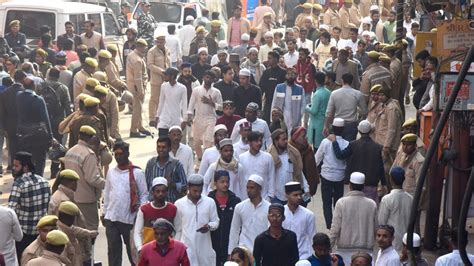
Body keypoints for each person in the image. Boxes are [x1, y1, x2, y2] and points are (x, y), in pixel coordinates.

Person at [102, 141, 148, 266]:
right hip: (112, 218)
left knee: (133, 253)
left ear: (127, 153)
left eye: (121, 154)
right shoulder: (111, 172)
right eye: (115, 154)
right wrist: (104, 212)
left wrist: (140, 214)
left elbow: (144, 195)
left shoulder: (137, 173)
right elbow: (107, 194)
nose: (118, 157)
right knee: (113, 253)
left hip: (130, 219)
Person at [63, 125, 104, 263]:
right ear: (91, 137)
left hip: (72, 198)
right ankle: (89, 260)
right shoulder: (88, 154)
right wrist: (108, 183)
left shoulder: (70, 151)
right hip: (87, 199)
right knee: (90, 233)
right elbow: (93, 179)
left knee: (76, 233)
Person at [9, 152, 51, 261]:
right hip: (41, 234)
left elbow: (10, 212)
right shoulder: (45, 182)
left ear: (25, 167)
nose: (13, 168)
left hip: (23, 236)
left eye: (16, 166)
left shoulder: (19, 184)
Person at [331, 120, 385, 203]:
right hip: (371, 183)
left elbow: (340, 155)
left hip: (355, 184)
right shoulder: (377, 147)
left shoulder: (353, 145)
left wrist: (334, 142)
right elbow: (381, 167)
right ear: (370, 131)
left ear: (359, 130)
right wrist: (384, 183)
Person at [329, 172, 377, 264]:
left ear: (350, 185)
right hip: (366, 253)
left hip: (344, 252)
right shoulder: (372, 204)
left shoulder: (341, 203)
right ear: (363, 186)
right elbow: (376, 229)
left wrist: (329, 247)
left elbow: (335, 229)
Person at [174, 174, 220, 266]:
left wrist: (209, 226)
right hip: (186, 248)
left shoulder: (209, 202)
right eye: (195, 191)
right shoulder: (179, 204)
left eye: (200, 191)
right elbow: (177, 229)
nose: (197, 193)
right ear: (188, 187)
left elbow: (216, 221)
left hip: (205, 248)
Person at [315, 118, 348, 229]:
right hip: (340, 177)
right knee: (338, 202)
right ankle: (338, 225)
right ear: (343, 130)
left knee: (326, 202)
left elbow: (317, 159)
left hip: (326, 176)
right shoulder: (346, 143)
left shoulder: (325, 142)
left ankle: (329, 226)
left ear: (332, 128)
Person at [16, 78, 53, 177]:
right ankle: (39, 179)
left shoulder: (18, 97)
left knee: (27, 159)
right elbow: (46, 119)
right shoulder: (38, 99)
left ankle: (27, 178)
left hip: (23, 133)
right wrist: (50, 136)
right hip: (38, 134)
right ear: (34, 86)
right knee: (40, 159)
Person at [133, 177, 177, 252]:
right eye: (158, 191)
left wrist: (175, 247)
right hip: (148, 250)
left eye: (163, 191)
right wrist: (140, 248)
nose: (160, 194)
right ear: (153, 192)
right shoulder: (144, 209)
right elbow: (137, 232)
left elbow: (178, 230)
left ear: (167, 192)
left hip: (168, 250)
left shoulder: (173, 209)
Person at [228, 175, 270, 254]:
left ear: (260, 189)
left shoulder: (269, 207)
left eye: (252, 188)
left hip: (262, 250)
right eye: (247, 187)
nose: (248, 190)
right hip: (243, 250)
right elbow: (234, 230)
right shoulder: (239, 207)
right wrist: (231, 252)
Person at [187, 70, 223, 160]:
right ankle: (199, 159)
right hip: (198, 118)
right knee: (196, 142)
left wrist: (212, 103)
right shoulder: (196, 90)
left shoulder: (216, 92)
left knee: (208, 141)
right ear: (203, 78)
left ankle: (207, 160)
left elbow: (221, 107)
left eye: (211, 78)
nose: (208, 79)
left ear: (214, 80)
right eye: (207, 77)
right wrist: (189, 116)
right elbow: (191, 104)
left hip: (211, 119)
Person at [208, 170, 242, 265]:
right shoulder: (209, 200)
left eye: (227, 181)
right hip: (212, 244)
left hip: (229, 245)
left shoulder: (235, 201)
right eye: (222, 182)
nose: (225, 184)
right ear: (215, 183)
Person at [268, 129, 309, 204]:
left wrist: (306, 189)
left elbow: (299, 172)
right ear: (276, 141)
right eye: (283, 139)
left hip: (290, 196)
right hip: (275, 197)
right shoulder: (269, 157)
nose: (286, 141)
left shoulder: (292, 154)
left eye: (286, 139)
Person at [323, 73, 367, 141]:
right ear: (351, 82)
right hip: (351, 125)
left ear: (342, 81)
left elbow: (328, 112)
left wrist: (325, 126)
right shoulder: (357, 94)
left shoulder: (334, 93)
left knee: (337, 146)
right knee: (349, 146)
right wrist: (359, 122)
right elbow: (365, 111)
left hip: (337, 124)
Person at [378, 167, 413, 252]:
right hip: (405, 240)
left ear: (391, 180)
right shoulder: (410, 198)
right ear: (404, 179)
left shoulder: (387, 199)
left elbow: (382, 222)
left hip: (391, 241)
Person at [144, 137, 188, 203]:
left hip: (171, 203)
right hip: (153, 204)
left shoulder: (177, 165)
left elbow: (185, 186)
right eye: (159, 147)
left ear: (169, 148)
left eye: (164, 147)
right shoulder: (151, 163)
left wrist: (173, 184)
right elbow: (146, 185)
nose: (161, 149)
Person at [56, 201, 98, 266]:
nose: (74, 220)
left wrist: (89, 233)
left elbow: (76, 230)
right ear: (68, 217)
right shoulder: (59, 235)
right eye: (73, 217)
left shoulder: (67, 227)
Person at [283, 182, 316, 260]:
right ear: (287, 195)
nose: (299, 197)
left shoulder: (308, 215)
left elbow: (312, 238)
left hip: (304, 257)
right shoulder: (280, 214)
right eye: (295, 195)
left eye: (300, 194)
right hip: (284, 257)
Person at [0, 70, 25, 169]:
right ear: (23, 78)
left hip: (10, 124)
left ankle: (14, 167)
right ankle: (22, 166)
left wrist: (4, 127)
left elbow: (2, 113)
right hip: (23, 124)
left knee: (13, 146)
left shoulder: (5, 93)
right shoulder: (25, 92)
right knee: (22, 146)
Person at [239, 132, 275, 199]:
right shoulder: (241, 158)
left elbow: (271, 177)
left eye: (260, 141)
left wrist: (270, 196)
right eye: (256, 141)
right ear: (249, 143)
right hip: (246, 198)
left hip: (264, 197)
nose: (259, 143)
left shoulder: (268, 157)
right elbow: (240, 179)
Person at [126, 38, 150, 138]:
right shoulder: (137, 60)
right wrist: (141, 91)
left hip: (132, 86)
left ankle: (140, 126)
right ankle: (134, 130)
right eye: (145, 48)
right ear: (140, 47)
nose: (146, 50)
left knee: (138, 109)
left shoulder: (131, 55)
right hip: (137, 88)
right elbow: (138, 78)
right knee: (137, 109)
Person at [271, 67, 306, 134]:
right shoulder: (279, 87)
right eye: (288, 74)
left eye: (293, 74)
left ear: (296, 76)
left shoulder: (300, 89)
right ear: (285, 75)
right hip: (282, 116)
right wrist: (273, 117)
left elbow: (303, 105)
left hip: (295, 117)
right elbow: (274, 102)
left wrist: (299, 116)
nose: (290, 76)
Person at [155, 67, 187, 137]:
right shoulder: (163, 86)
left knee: (174, 141)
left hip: (176, 119)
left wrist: (185, 120)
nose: (165, 77)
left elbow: (184, 105)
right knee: (163, 139)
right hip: (164, 118)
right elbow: (161, 102)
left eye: (166, 75)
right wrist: (157, 116)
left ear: (172, 76)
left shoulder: (182, 88)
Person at [289, 127, 320, 197]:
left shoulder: (308, 150)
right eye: (303, 136)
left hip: (306, 189)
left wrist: (312, 187)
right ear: (295, 138)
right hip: (293, 188)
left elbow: (313, 170)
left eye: (306, 135)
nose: (306, 138)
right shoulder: (289, 151)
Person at [148, 34, 171, 127]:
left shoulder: (167, 50)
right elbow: (150, 65)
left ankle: (162, 117)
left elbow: (168, 63)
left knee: (165, 99)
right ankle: (152, 118)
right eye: (158, 41)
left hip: (167, 79)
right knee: (154, 99)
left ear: (165, 41)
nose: (160, 43)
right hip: (156, 79)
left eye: (162, 41)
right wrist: (162, 71)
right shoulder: (152, 51)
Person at [259, 51, 286, 122]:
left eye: (270, 58)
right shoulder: (266, 72)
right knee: (267, 120)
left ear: (276, 59)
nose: (268, 60)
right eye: (268, 58)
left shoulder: (283, 72)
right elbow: (261, 88)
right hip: (268, 102)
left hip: (280, 102)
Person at [306, 72, 331, 149]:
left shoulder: (317, 94)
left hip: (316, 125)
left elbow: (314, 111)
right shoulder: (328, 92)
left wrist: (306, 107)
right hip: (326, 123)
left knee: (317, 149)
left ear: (315, 81)